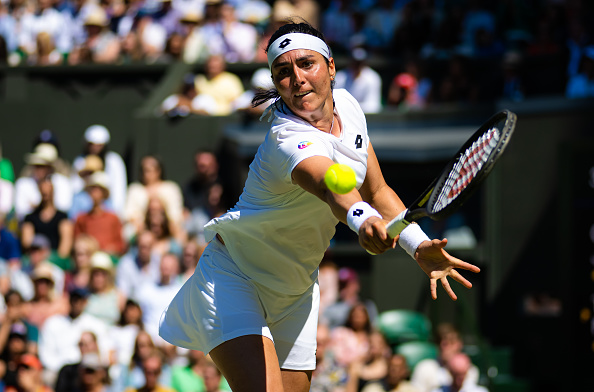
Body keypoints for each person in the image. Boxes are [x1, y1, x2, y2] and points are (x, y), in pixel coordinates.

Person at [159, 20, 480, 392]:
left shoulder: (349, 106)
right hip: (235, 278)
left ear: (330, 67)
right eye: (283, 71)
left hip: (296, 290)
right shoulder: (287, 139)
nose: (297, 78)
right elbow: (332, 185)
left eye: (307, 63)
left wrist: (417, 245)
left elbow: (377, 190)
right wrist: (363, 223)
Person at [71, 125, 127, 218]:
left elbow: (119, 189)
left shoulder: (114, 160)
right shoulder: (80, 161)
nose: (94, 148)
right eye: (91, 144)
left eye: (98, 145)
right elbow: (75, 186)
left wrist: (117, 214)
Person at [73, 171, 126, 256]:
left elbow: (120, 245)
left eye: (98, 190)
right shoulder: (81, 218)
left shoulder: (113, 218)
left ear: (104, 193)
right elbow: (77, 242)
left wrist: (111, 249)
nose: (94, 193)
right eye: (92, 190)